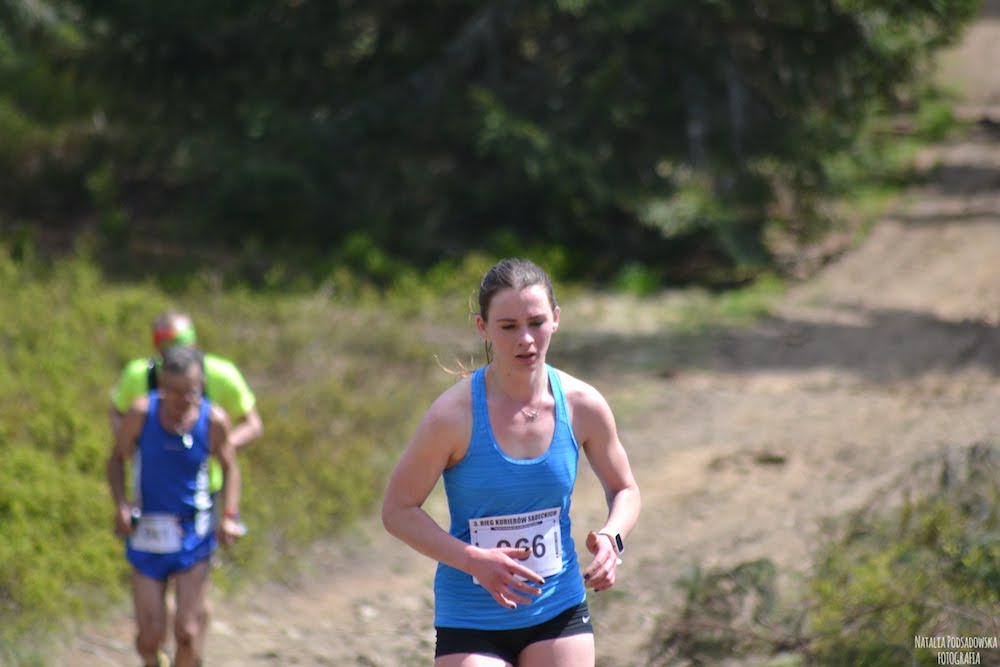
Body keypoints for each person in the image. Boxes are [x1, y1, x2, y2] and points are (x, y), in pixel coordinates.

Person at [381, 257, 641, 666]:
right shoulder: (453, 415)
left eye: (536, 323)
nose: (526, 339)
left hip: (557, 607)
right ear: (483, 327)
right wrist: (472, 560)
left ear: (556, 320)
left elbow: (624, 488)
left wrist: (613, 538)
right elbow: (398, 510)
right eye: (508, 327)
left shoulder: (582, 405)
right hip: (472, 616)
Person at [107, 344, 243, 667]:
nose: (184, 401)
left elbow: (230, 468)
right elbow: (116, 459)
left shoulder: (213, 420)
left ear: (202, 385)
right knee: (150, 636)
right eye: (175, 392)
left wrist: (229, 515)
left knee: (187, 631)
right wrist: (122, 505)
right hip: (147, 532)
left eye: (192, 392)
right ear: (161, 387)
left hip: (193, 532)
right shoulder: (141, 414)